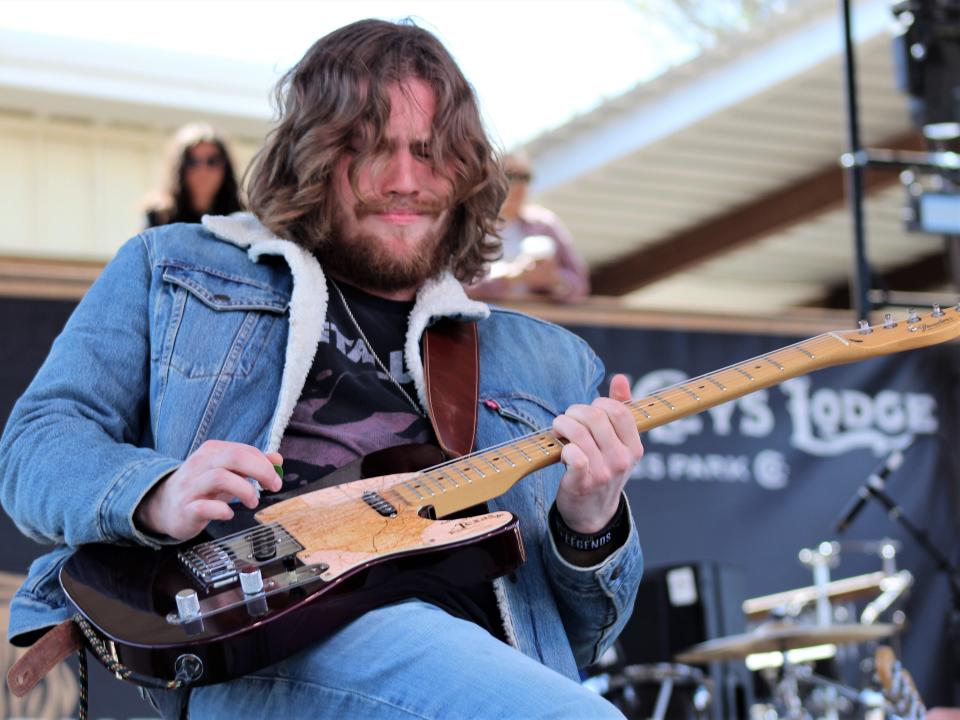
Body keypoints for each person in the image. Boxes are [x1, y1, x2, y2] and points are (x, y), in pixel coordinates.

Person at [0, 19, 644, 719]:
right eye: (368, 148)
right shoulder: (175, 267)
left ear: (464, 171)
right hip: (267, 643)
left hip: (475, 670)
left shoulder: (548, 360)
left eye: (430, 152)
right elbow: (36, 443)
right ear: (312, 154)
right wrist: (156, 493)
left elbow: (580, 641)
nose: (404, 180)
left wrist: (591, 520)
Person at [468, 151, 590, 302]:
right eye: (510, 176)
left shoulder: (545, 225)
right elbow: (455, 285)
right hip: (485, 321)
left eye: (525, 177)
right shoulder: (468, 227)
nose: (519, 185)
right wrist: (512, 276)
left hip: (536, 320)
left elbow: (580, 283)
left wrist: (555, 280)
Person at [142, 123, 243, 227]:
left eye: (212, 161)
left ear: (226, 166)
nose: (203, 170)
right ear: (179, 167)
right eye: (192, 162)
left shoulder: (243, 215)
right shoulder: (160, 216)